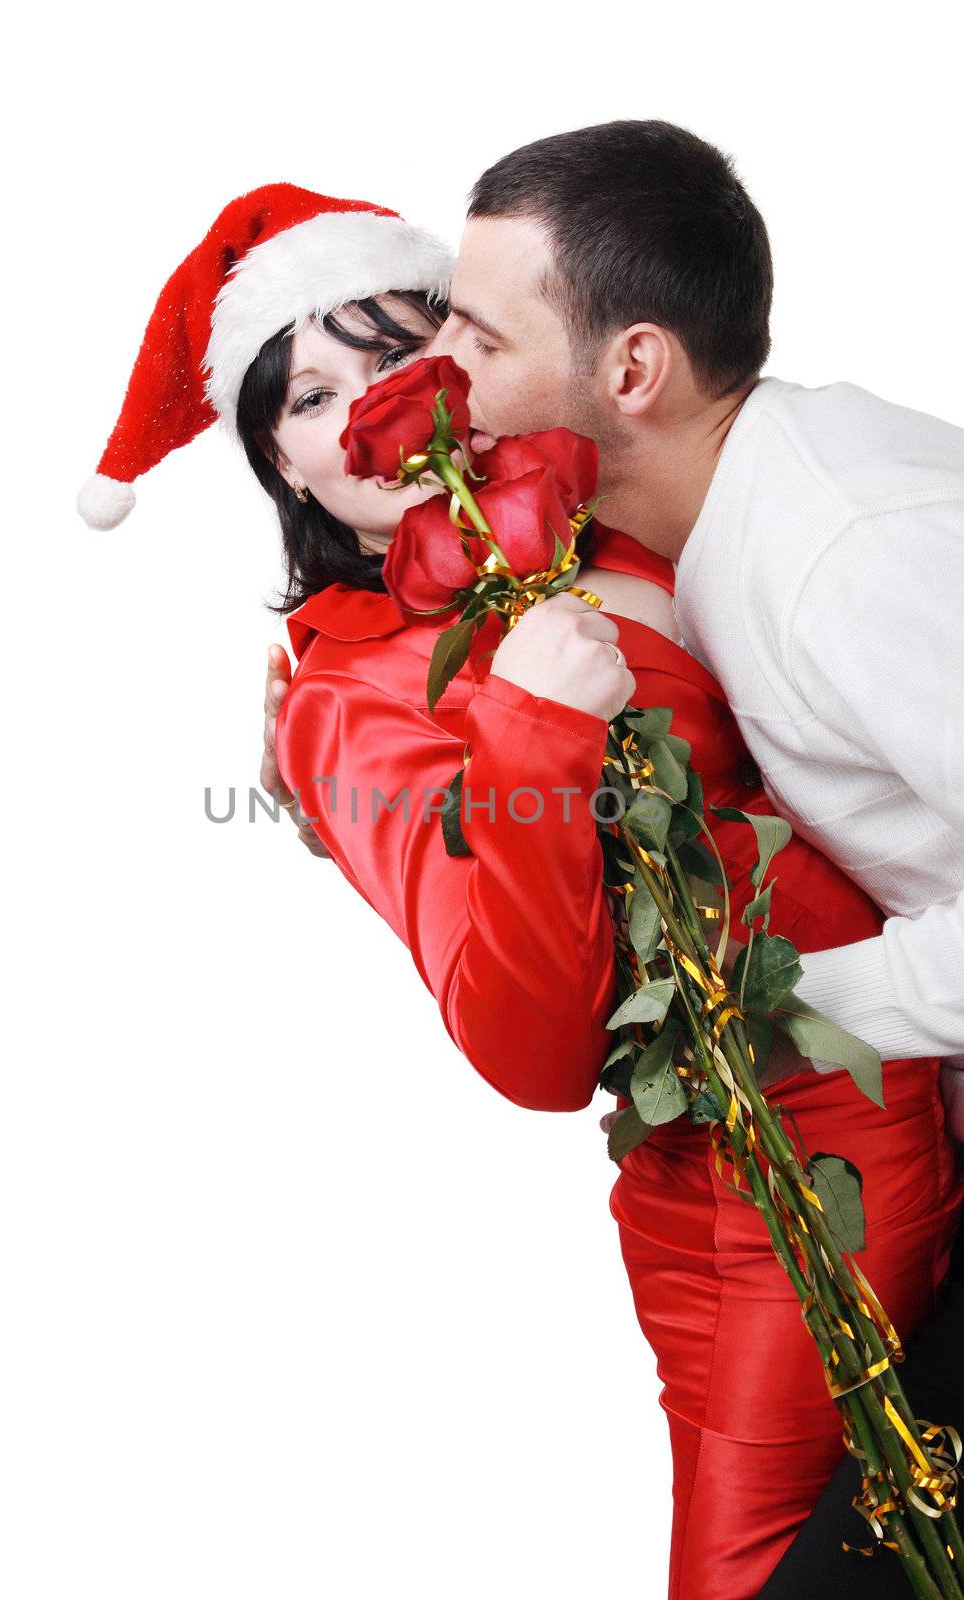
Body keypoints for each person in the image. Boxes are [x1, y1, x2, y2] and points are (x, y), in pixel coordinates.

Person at [80, 180, 961, 1596]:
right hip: (757, 1185)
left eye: (393, 347)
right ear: (284, 471)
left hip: (919, 1072)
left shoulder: (596, 518)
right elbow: (531, 1051)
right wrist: (529, 726)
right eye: (305, 397)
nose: (368, 404)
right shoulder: (346, 697)